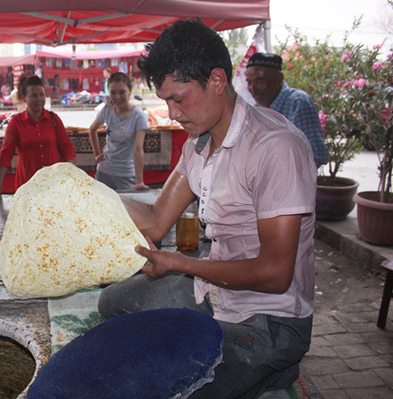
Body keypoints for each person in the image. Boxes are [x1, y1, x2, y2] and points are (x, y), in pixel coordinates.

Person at [98, 20, 317, 398]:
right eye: (164, 100)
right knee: (110, 304)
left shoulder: (274, 147)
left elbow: (276, 274)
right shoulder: (198, 144)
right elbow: (156, 219)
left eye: (178, 99)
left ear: (217, 81)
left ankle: (273, 365)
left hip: (268, 317)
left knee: (175, 391)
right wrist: (88, 192)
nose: (170, 113)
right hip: (213, 290)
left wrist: (178, 263)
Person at [0, 75, 76, 196]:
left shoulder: (54, 119)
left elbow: (67, 148)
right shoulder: (16, 122)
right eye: (33, 95)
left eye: (41, 94)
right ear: (24, 98)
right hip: (27, 185)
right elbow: (6, 154)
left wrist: (68, 172)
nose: (39, 99)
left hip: (54, 184)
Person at [245, 52, 329, 167]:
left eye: (260, 81)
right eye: (249, 82)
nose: (252, 88)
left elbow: (317, 155)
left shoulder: (298, 103)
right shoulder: (258, 109)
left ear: (279, 79)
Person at [88, 72, 149, 191]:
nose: (117, 97)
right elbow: (92, 129)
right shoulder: (107, 111)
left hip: (126, 175)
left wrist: (139, 182)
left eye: (122, 92)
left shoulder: (139, 117)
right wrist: (97, 153)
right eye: (113, 93)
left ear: (130, 91)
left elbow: (138, 150)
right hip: (104, 172)